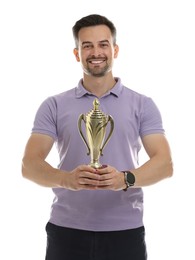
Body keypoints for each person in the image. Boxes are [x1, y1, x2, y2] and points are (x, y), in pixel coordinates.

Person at [22, 14, 173, 260]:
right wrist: (66, 179)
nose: (96, 52)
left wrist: (125, 179)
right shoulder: (54, 105)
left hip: (125, 232)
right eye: (87, 46)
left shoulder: (143, 104)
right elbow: (29, 164)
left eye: (103, 44)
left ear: (115, 49)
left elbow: (165, 164)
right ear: (76, 53)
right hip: (66, 231)